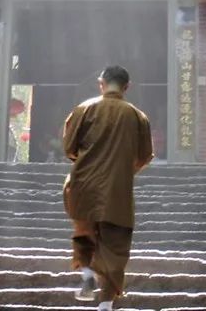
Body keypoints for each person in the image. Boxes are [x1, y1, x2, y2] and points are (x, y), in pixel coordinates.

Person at [62, 65, 154, 311]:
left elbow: (69, 147)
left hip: (84, 186)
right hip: (117, 191)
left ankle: (87, 274)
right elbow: (145, 155)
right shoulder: (137, 116)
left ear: (101, 83)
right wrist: (123, 170)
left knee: (84, 233)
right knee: (115, 245)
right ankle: (105, 304)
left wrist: (88, 162)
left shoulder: (84, 109)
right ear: (126, 87)